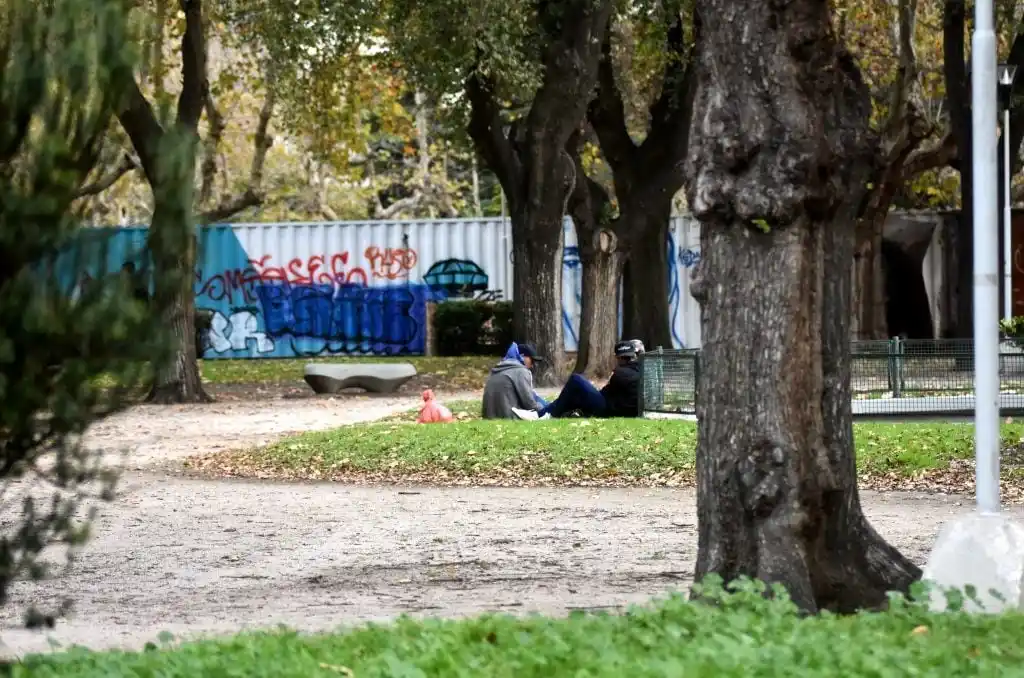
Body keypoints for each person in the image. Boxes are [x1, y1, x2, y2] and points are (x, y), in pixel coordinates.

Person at [512, 340, 642, 420]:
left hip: (607, 409)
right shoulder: (636, 371)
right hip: (612, 407)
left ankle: (542, 415)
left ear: (618, 357)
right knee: (575, 393)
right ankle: (544, 413)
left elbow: (608, 390)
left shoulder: (620, 373)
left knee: (576, 380)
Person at [482, 342, 547, 419]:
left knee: (535, 396)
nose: (532, 365)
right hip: (509, 416)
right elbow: (529, 404)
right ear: (522, 356)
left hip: (489, 416)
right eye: (532, 360)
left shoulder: (498, 368)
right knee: (542, 404)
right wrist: (546, 410)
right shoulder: (521, 371)